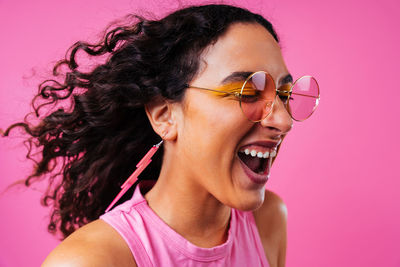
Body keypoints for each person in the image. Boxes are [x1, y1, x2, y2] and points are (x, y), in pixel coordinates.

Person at [3, 4, 320, 267]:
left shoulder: (269, 223)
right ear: (164, 115)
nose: (283, 120)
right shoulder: (90, 261)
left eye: (284, 94)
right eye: (248, 93)